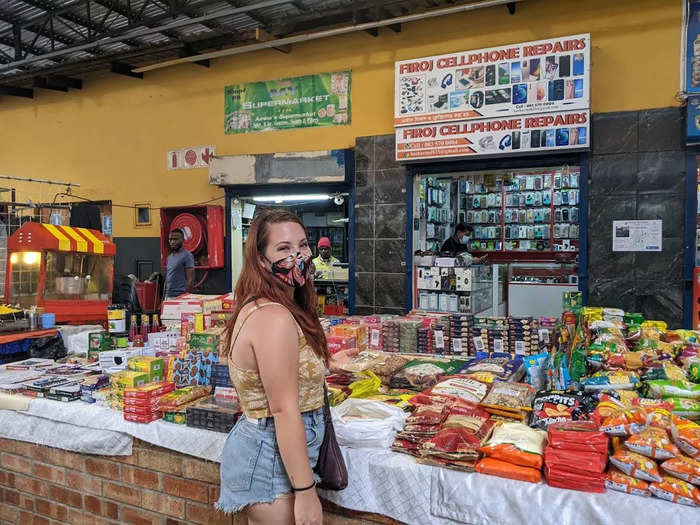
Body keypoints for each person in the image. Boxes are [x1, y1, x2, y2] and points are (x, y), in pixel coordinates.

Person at [217, 210, 357, 525]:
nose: (298, 256)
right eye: (283, 249)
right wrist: (306, 492)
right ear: (262, 260)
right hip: (269, 464)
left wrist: (331, 363)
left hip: (275, 457)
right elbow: (283, 409)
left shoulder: (280, 307)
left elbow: (283, 366)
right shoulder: (273, 317)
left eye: (302, 245)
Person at [164, 228, 194, 299]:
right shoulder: (169, 257)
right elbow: (169, 278)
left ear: (183, 240)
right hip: (168, 296)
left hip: (181, 296)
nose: (172, 242)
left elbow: (191, 279)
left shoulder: (187, 255)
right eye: (170, 239)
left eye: (175, 239)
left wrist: (186, 297)